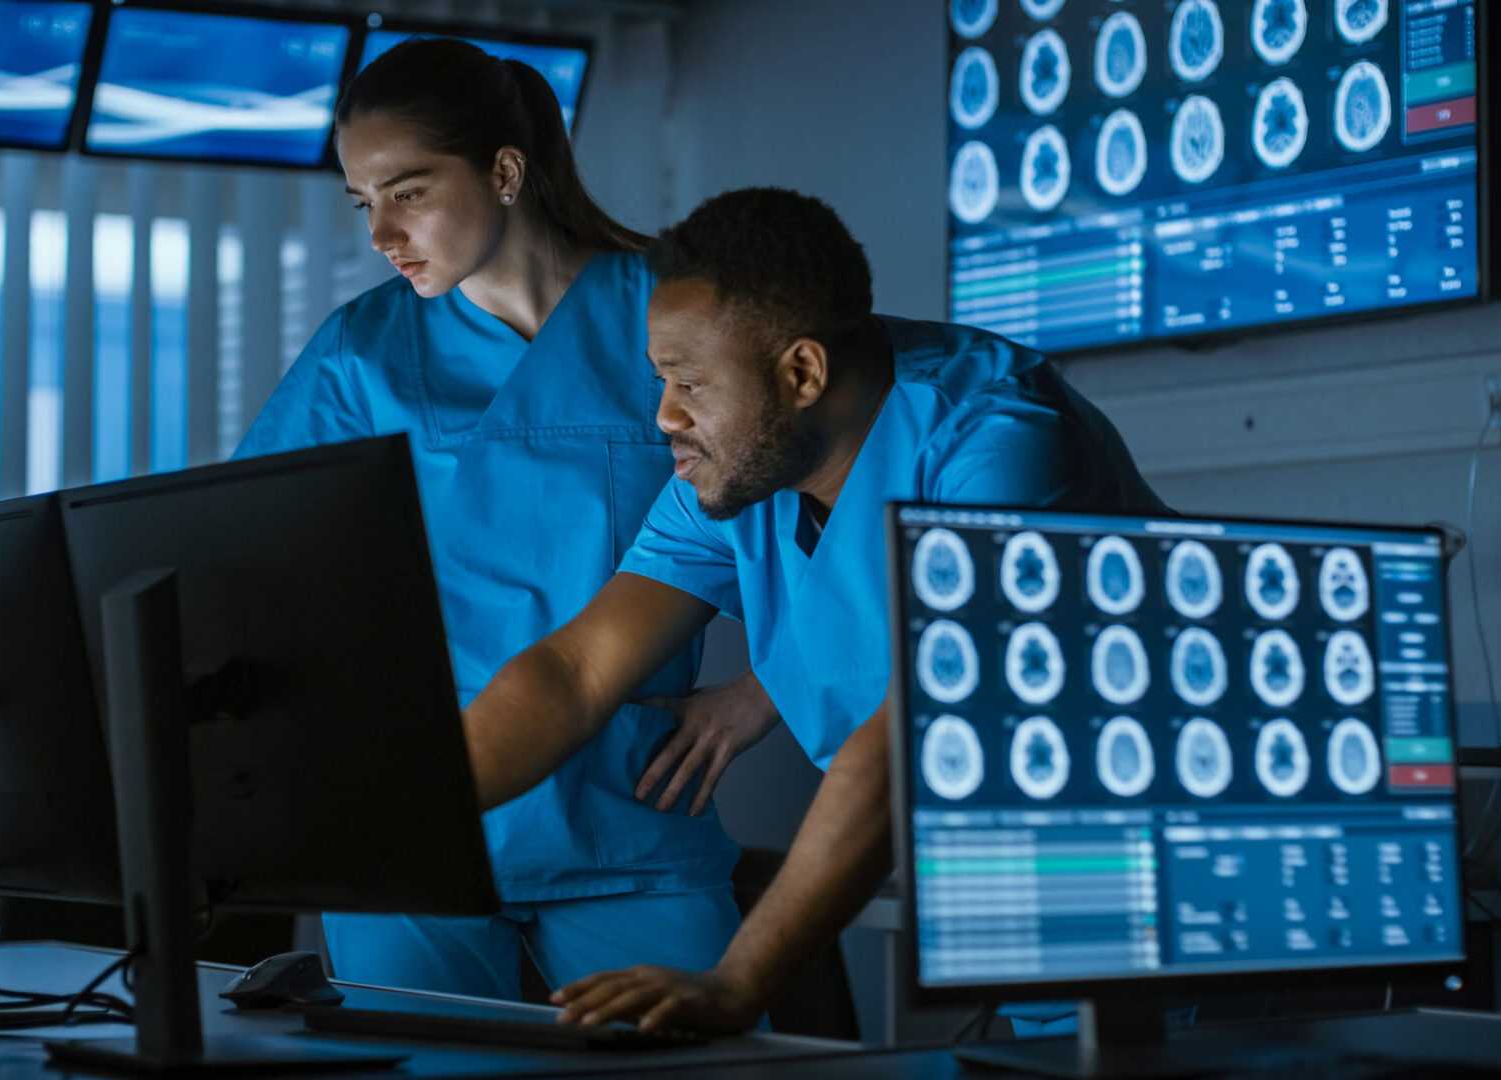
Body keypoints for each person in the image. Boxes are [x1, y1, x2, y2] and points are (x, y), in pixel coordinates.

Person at [442, 186, 1165, 1031]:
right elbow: (576, 671)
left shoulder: (996, 443)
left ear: (802, 373)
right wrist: (400, 816)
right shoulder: (739, 473)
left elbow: (918, 730)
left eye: (689, 385)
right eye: (660, 381)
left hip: (1183, 895)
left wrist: (739, 982)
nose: (664, 416)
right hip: (1016, 904)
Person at [234, 38, 775, 1001]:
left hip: (629, 816)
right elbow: (247, 560)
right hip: (416, 826)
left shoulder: (676, 314)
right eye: (365, 205)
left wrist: (761, 696)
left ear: (506, 170)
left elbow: (830, 516)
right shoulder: (361, 353)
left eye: (407, 192)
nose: (382, 237)